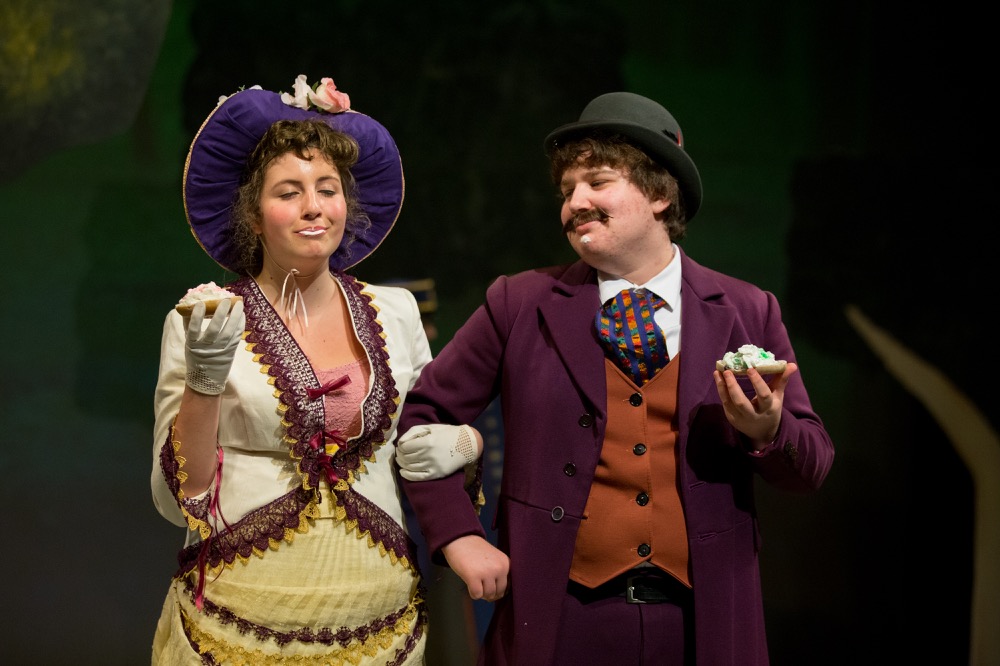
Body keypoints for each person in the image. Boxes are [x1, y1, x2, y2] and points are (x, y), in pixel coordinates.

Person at [395, 92, 836, 665]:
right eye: (566, 191)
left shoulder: (746, 309)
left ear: (659, 194)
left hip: (700, 625)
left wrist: (767, 430)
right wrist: (458, 535)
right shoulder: (519, 303)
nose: (574, 203)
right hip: (559, 621)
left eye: (597, 182)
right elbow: (423, 417)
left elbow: (811, 464)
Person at [149, 76, 477, 664]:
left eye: (327, 189)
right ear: (253, 215)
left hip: (382, 628)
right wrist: (205, 377)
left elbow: (427, 440)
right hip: (238, 624)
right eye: (289, 192)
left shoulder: (395, 311)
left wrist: (466, 443)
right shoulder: (205, 319)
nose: (313, 207)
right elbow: (182, 496)